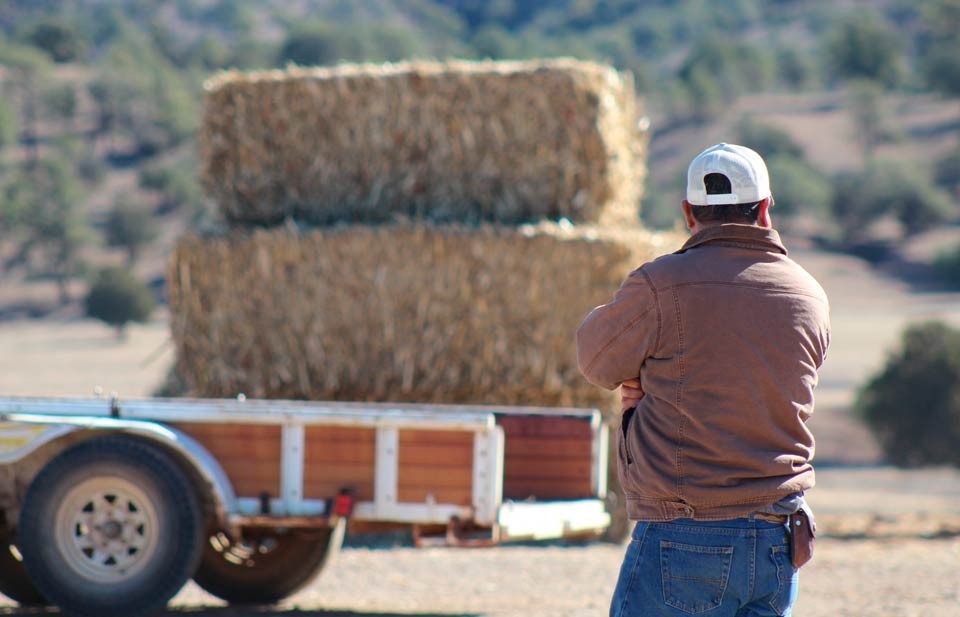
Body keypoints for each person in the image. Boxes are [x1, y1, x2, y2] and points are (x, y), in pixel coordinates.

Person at [577, 143, 830, 617]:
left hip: (685, 533)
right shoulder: (808, 294)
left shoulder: (659, 285)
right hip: (779, 537)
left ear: (688, 213)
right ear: (766, 209)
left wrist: (646, 379)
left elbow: (596, 361)